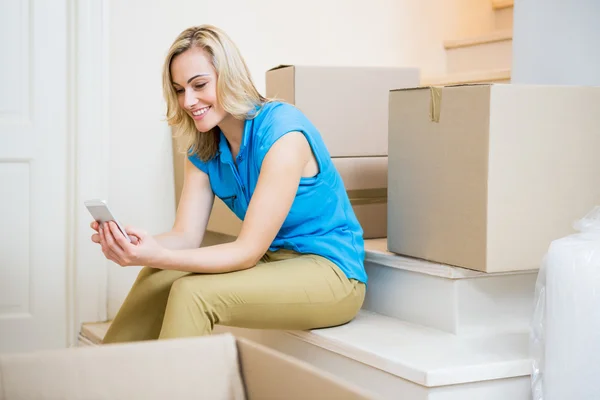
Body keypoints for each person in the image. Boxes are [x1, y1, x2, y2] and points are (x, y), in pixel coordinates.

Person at [92, 24, 367, 343]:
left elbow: (247, 251)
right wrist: (137, 246)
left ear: (230, 77)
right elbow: (185, 236)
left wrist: (155, 254)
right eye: (180, 89)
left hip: (331, 273)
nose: (188, 101)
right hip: (270, 262)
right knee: (156, 277)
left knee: (192, 294)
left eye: (199, 85)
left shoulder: (283, 133)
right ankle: (105, 378)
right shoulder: (204, 144)